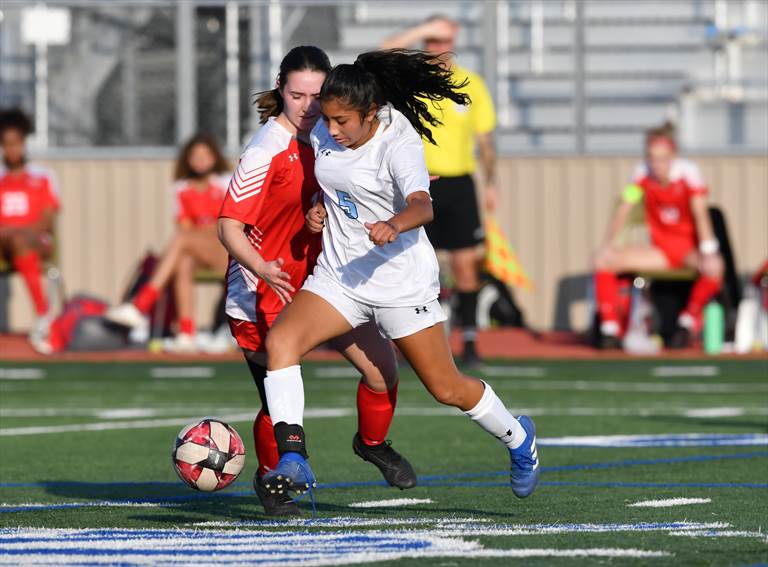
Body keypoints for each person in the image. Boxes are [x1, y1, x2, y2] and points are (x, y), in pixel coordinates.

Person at [261, 49, 539, 500]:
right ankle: (295, 458)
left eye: (342, 121)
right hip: (340, 277)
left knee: (446, 388)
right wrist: (318, 211)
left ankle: (518, 437)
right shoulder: (327, 131)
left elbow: (422, 204)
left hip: (400, 284)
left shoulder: (398, 140)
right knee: (281, 342)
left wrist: (395, 224)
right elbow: (336, 187)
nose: (330, 130)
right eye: (326, 119)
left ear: (371, 113)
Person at [217, 46, 416, 516]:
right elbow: (227, 226)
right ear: (280, 90)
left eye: (315, 94)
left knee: (382, 371)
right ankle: (275, 482)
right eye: (295, 94)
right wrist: (262, 266)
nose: (307, 106)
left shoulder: (331, 135)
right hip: (264, 290)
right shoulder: (265, 151)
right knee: (277, 397)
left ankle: (372, 443)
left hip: (326, 281)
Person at [381, 15, 498, 366]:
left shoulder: (471, 84)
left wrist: (492, 183)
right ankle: (409, 341)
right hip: (420, 184)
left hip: (459, 183)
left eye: (442, 42)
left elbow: (485, 141)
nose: (436, 49)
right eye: (431, 43)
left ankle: (471, 340)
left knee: (465, 265)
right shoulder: (413, 80)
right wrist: (422, 30)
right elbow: (384, 50)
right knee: (411, 263)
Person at [593, 121, 725, 349]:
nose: (657, 164)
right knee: (602, 260)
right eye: (652, 158)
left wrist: (709, 252)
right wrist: (608, 244)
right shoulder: (641, 174)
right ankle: (611, 330)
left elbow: (701, 213)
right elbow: (624, 208)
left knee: (715, 268)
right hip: (660, 251)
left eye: (663, 158)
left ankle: (687, 323)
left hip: (687, 250)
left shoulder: (689, 174)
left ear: (673, 156)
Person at [106, 134, 231, 352]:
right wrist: (201, 232)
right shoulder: (181, 189)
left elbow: (228, 224)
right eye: (195, 156)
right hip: (200, 250)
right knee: (183, 260)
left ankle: (142, 304)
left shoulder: (225, 182)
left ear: (214, 158)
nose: (200, 160)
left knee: (182, 241)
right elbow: (185, 227)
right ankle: (186, 333)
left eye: (205, 155)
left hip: (229, 250)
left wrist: (202, 231)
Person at [0, 108, 59, 354]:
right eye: (6, 144)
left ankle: (43, 317)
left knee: (20, 240)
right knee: (13, 237)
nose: (12, 149)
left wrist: (19, 232)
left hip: (35, 240)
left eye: (17, 143)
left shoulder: (43, 176)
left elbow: (47, 218)